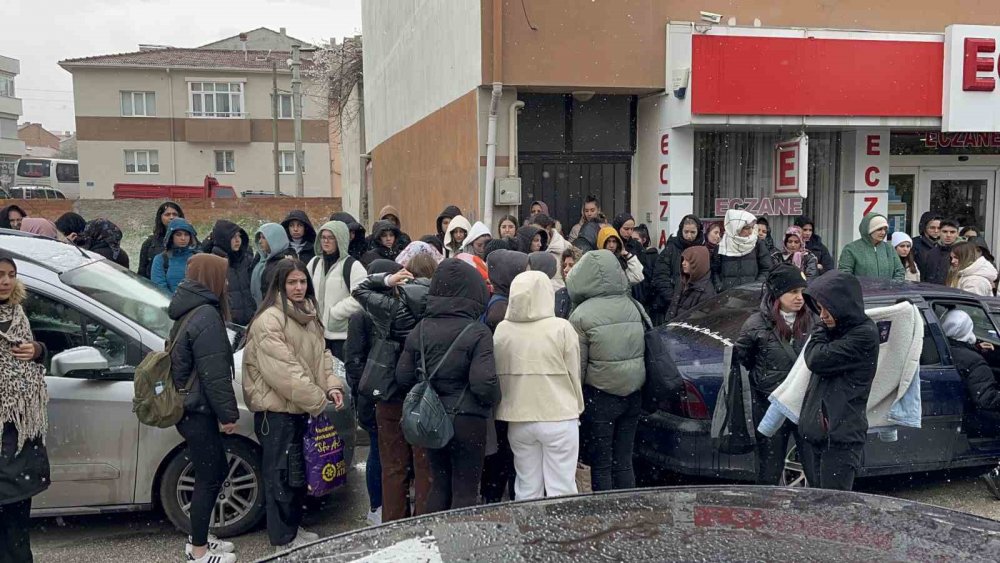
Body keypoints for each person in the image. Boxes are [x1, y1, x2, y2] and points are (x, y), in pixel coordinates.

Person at [242, 260, 346, 550]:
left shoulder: (308, 315)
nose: (298, 288)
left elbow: (322, 356)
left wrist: (332, 384)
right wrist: (318, 400)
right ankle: (282, 538)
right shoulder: (269, 321)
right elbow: (285, 374)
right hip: (276, 413)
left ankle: (292, 529)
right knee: (281, 477)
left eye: (302, 282)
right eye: (292, 283)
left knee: (298, 475)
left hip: (300, 409)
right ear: (279, 285)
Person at [395, 259, 501, 513]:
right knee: (466, 489)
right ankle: (461, 538)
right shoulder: (478, 332)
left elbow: (403, 376)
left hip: (432, 418)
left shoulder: (420, 328)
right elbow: (483, 382)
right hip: (468, 420)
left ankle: (436, 535)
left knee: (439, 485)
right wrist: (491, 401)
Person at [167, 254, 240, 563]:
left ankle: (200, 537)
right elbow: (214, 374)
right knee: (210, 476)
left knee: (214, 471)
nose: (226, 283)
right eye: (222, 276)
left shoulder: (190, 309)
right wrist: (228, 415)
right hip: (198, 411)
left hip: (191, 409)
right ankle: (198, 551)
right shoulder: (206, 315)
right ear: (210, 278)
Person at [351, 259, 433, 522]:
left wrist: (387, 279)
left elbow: (359, 288)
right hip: (425, 396)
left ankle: (395, 525)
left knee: (393, 467)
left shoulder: (390, 308)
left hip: (390, 394)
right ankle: (424, 525)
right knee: (424, 466)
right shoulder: (438, 307)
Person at [494, 271, 584, 500]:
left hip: (519, 416)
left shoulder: (503, 329)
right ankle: (560, 524)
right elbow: (574, 373)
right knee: (562, 488)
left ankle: (528, 524)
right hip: (559, 413)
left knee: (526, 487)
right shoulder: (561, 328)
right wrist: (577, 406)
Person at [568, 250, 646, 491]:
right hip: (633, 394)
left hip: (600, 397)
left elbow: (577, 367)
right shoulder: (633, 306)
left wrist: (575, 403)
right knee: (624, 460)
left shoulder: (581, 315)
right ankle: (627, 505)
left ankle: (606, 509)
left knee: (601, 464)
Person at [734, 264, 814, 485]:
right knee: (769, 469)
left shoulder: (813, 320)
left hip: (804, 404)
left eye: (802, 291)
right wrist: (766, 381)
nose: (799, 298)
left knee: (814, 468)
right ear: (778, 294)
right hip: (770, 404)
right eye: (793, 292)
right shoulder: (756, 324)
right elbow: (744, 358)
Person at [800, 271, 878, 491]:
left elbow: (815, 359)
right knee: (817, 502)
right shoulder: (836, 330)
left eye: (827, 309)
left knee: (833, 504)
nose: (822, 315)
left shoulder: (864, 334)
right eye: (819, 309)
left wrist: (820, 329)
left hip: (840, 438)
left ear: (842, 306)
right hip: (818, 433)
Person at [0, 252, 50, 563]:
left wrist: (38, 350)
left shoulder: (20, 312)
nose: (5, 281)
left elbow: (49, 342)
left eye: (10, 274)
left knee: (17, 534)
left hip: (18, 438)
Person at [480, 249, 528, 503]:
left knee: (500, 453)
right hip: (506, 390)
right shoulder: (502, 309)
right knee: (503, 454)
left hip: (501, 390)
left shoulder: (496, 303)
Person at [307, 220, 366, 359]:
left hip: (341, 336)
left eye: (331, 238)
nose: (326, 241)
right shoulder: (314, 263)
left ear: (340, 239)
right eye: (323, 237)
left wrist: (335, 313)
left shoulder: (353, 266)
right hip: (316, 333)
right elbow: (305, 290)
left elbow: (362, 297)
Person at [653, 214, 705, 317]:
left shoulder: (702, 249)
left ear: (698, 232)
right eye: (686, 232)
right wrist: (673, 298)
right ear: (681, 230)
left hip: (695, 301)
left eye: (693, 232)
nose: (689, 236)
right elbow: (660, 275)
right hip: (671, 303)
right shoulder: (671, 248)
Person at [207, 220, 256, 326]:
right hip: (228, 324)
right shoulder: (214, 263)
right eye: (233, 237)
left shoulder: (246, 259)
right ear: (223, 239)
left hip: (251, 321)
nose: (238, 240)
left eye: (239, 236)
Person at [713, 209, 772, 292]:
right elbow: (714, 271)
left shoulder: (757, 244)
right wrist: (720, 287)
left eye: (751, 227)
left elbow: (766, 269)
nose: (750, 231)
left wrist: (756, 286)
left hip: (751, 295)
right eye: (746, 228)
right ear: (736, 227)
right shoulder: (722, 246)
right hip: (727, 295)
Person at [838, 213, 905, 281]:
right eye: (879, 229)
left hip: (888, 288)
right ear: (869, 230)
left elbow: (900, 271)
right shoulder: (851, 249)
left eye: (885, 229)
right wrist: (858, 286)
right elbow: (845, 274)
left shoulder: (889, 248)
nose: (883, 232)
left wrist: (891, 285)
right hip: (861, 288)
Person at [250, 223, 296, 306]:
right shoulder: (260, 260)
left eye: (264, 238)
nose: (260, 241)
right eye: (259, 237)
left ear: (275, 240)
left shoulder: (286, 262)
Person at [665, 246, 716, 321]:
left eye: (688, 261)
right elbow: (673, 307)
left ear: (698, 263)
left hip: (685, 327)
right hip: (673, 325)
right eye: (683, 260)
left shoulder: (707, 292)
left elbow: (699, 321)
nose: (683, 263)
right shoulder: (682, 281)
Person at [151, 218, 199, 295]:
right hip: (169, 301)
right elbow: (160, 288)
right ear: (171, 236)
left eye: (186, 234)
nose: (183, 238)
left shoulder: (198, 258)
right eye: (178, 234)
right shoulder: (161, 259)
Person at [139, 201, 184, 279]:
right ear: (160, 218)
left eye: (175, 214)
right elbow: (141, 273)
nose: (171, 217)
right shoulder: (149, 243)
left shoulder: (189, 241)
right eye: (167, 214)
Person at [912, 212, 949, 285]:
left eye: (939, 228)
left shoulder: (947, 245)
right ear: (924, 228)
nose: (936, 231)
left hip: (943, 286)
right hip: (920, 285)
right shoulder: (913, 244)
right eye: (932, 228)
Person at [555, 247, 581, 319]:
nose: (565, 269)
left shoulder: (586, 295)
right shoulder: (558, 294)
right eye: (564, 266)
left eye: (571, 265)